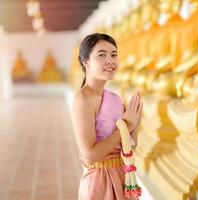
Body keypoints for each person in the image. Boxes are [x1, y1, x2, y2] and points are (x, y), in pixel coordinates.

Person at [71, 33, 143, 200]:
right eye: (101, 55)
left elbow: (130, 148)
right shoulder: (83, 100)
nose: (110, 60)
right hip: (99, 182)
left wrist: (134, 123)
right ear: (86, 62)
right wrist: (125, 126)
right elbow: (90, 156)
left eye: (114, 55)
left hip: (122, 177)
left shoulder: (114, 98)